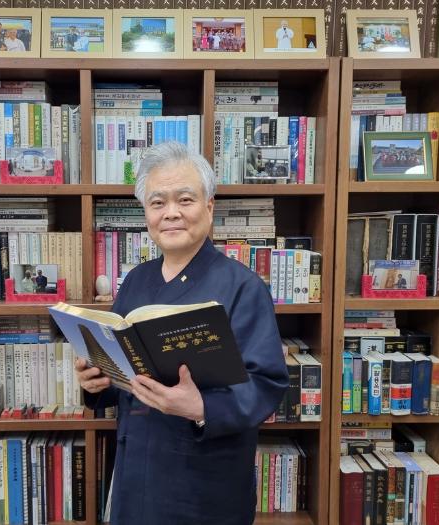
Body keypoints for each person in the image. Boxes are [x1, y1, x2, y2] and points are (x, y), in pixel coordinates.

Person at [74, 141, 288, 524]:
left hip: (204, 485)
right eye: (157, 203)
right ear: (146, 212)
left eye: (185, 200)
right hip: (135, 472)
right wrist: (97, 380)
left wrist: (201, 407)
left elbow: (267, 384)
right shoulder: (136, 281)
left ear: (209, 207)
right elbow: (126, 367)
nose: (170, 213)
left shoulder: (243, 287)